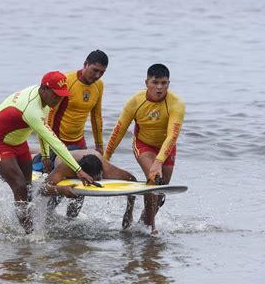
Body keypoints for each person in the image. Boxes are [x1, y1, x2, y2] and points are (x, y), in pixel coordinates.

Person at [0, 71, 94, 234]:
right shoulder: (32, 108)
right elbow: (55, 141)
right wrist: (79, 170)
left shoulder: (45, 101)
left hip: (19, 142)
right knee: (19, 185)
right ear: (44, 89)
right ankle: (29, 235)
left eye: (62, 96)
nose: (59, 99)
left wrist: (46, 156)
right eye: (56, 95)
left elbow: (42, 130)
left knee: (27, 188)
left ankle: (23, 223)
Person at [103, 64, 185, 235]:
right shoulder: (135, 101)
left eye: (164, 83)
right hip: (143, 144)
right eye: (155, 82)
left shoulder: (176, 103)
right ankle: (151, 229)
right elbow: (119, 130)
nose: (160, 87)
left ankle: (142, 223)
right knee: (154, 181)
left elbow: (172, 136)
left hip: (166, 147)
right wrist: (105, 158)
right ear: (146, 82)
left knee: (161, 193)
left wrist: (159, 161)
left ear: (169, 83)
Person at [39, 50, 109, 217]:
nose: (97, 75)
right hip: (58, 142)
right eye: (94, 70)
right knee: (60, 182)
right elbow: (49, 116)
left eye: (102, 72)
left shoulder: (99, 86)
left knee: (82, 184)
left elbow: (96, 116)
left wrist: (99, 146)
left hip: (79, 142)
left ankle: (71, 222)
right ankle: (46, 216)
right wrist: (46, 152)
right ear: (85, 64)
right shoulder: (67, 81)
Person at [44, 149, 137, 218]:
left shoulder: (107, 169)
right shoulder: (65, 168)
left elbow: (132, 181)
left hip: (87, 154)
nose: (99, 179)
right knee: (51, 205)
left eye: (99, 177)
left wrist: (129, 212)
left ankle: (70, 223)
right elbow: (43, 188)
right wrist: (61, 190)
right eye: (93, 179)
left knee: (78, 195)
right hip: (59, 157)